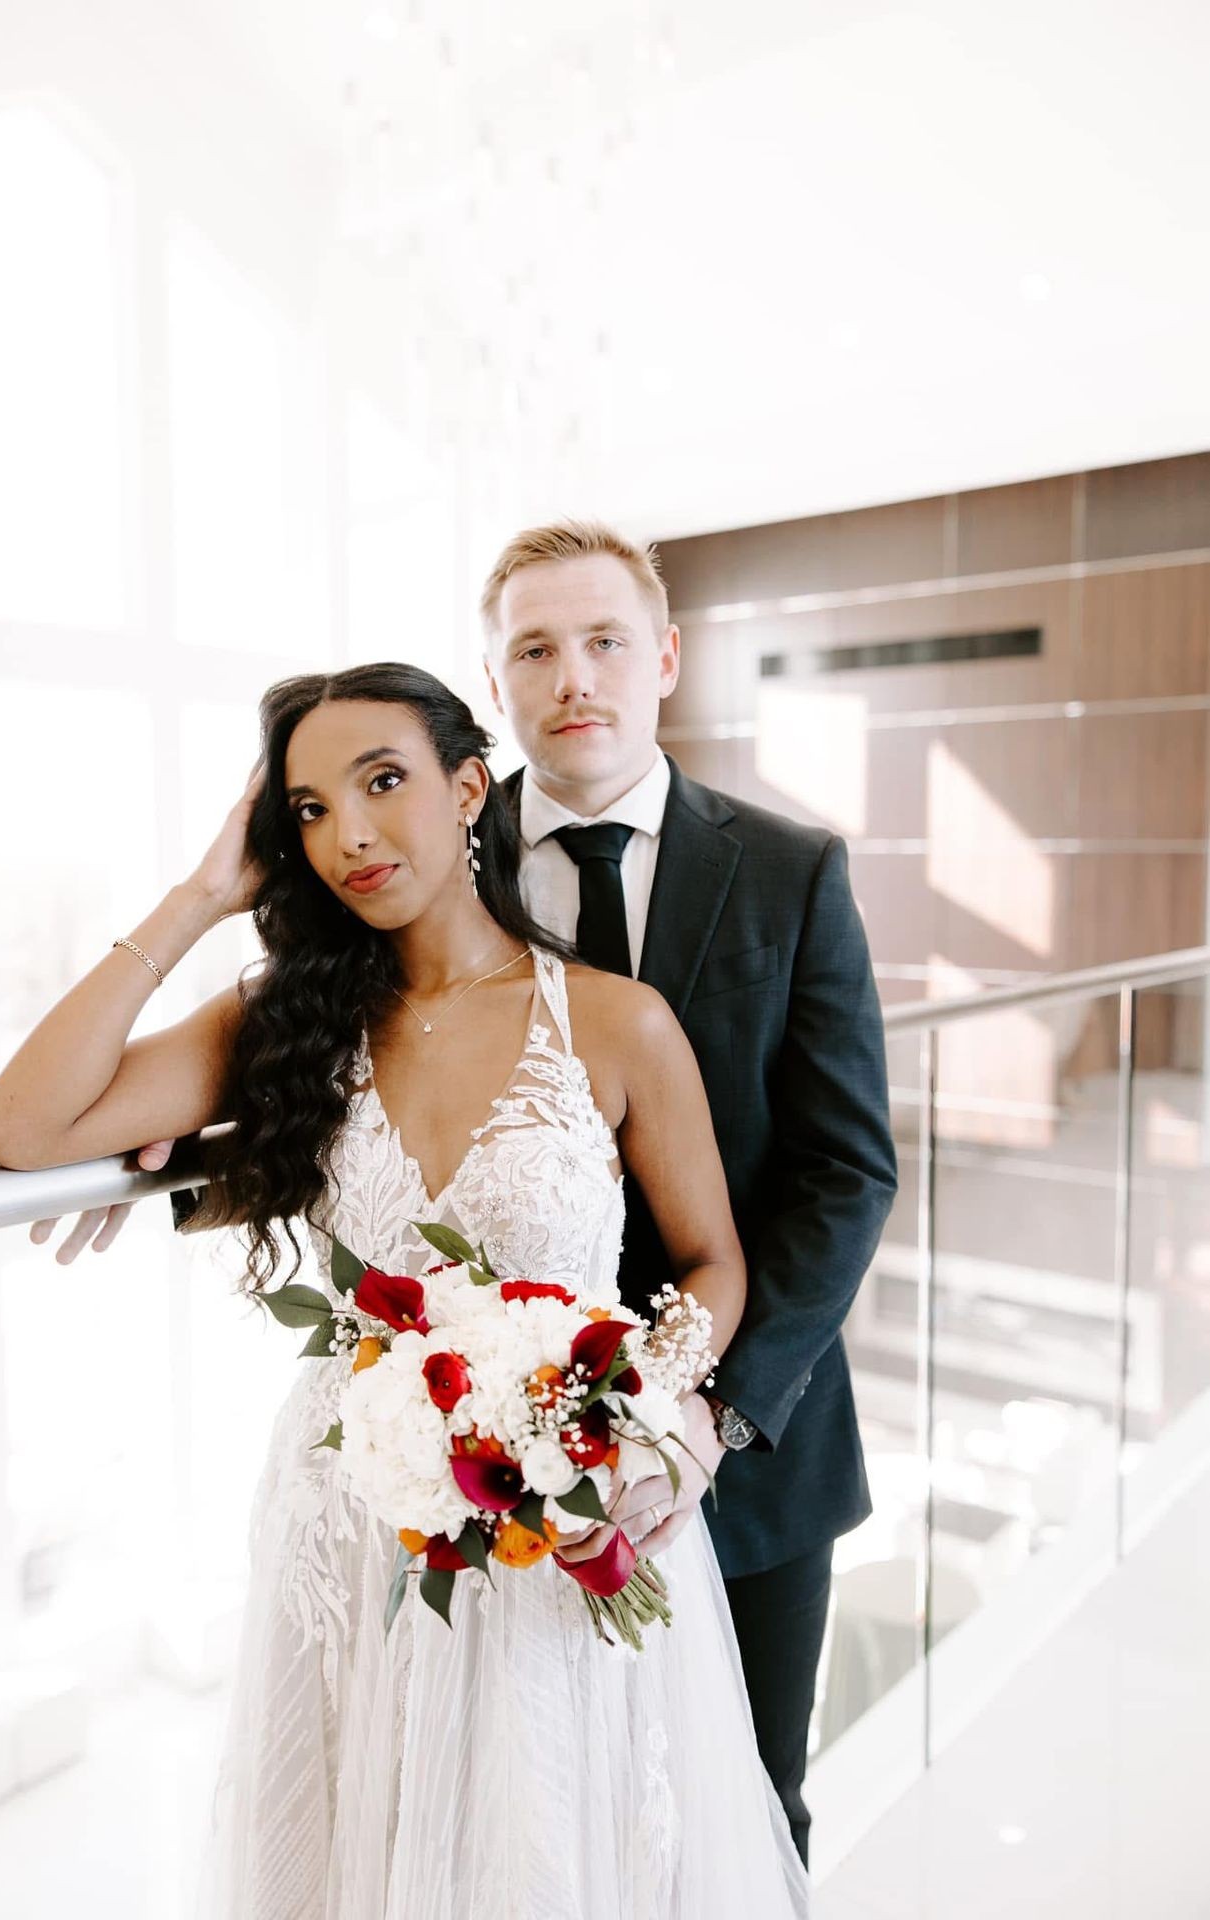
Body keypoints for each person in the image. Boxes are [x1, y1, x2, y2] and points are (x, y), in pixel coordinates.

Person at [0, 663, 809, 1919]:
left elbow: (711, 1263)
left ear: (469, 786)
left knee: (548, 1844)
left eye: (382, 784)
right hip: (347, 1511)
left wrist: (645, 1424)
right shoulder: (279, 1024)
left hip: (557, 1510)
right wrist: (202, 897)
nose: (349, 835)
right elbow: (22, 1126)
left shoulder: (616, 1021)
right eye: (307, 810)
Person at [479, 521, 899, 1864]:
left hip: (755, 1454)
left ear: (664, 656)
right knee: (543, 1819)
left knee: (750, 1812)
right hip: (495, 1444)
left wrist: (715, 1414)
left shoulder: (793, 873)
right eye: (534, 648)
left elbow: (845, 1172)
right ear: (494, 683)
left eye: (604, 641)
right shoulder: (439, 877)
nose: (573, 677)